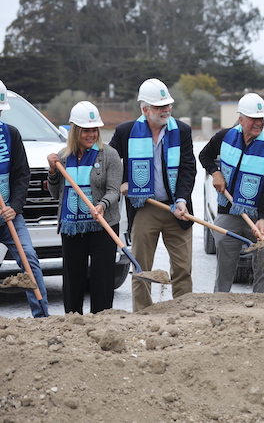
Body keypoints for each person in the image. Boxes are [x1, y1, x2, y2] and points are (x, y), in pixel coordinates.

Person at [109, 78, 196, 312]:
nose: (166, 110)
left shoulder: (182, 131)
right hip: (144, 207)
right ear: (144, 109)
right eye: (159, 107)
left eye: (167, 105)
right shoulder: (125, 132)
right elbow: (107, 162)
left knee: (183, 268)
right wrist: (122, 182)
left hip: (177, 209)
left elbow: (188, 169)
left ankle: (183, 312)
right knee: (141, 268)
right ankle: (142, 314)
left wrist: (182, 200)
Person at [199, 93, 264, 293]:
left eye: (261, 119)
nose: (258, 123)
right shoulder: (224, 137)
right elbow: (205, 155)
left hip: (258, 212)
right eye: (254, 118)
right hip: (228, 211)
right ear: (241, 118)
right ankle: (220, 299)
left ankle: (263, 301)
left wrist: (262, 218)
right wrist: (215, 172)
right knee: (225, 261)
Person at [47, 101, 122, 314]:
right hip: (72, 226)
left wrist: (101, 205)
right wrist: (52, 172)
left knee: (102, 277)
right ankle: (73, 320)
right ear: (75, 131)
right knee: (73, 277)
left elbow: (114, 190)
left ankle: (102, 319)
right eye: (86, 130)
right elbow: (56, 194)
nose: (91, 134)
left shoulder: (110, 155)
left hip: (103, 225)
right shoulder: (63, 157)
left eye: (94, 130)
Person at [0, 79, 49, 317]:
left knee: (29, 259)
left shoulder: (11, 134)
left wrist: (15, 207)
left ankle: (42, 316)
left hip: (8, 214)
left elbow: (22, 175)